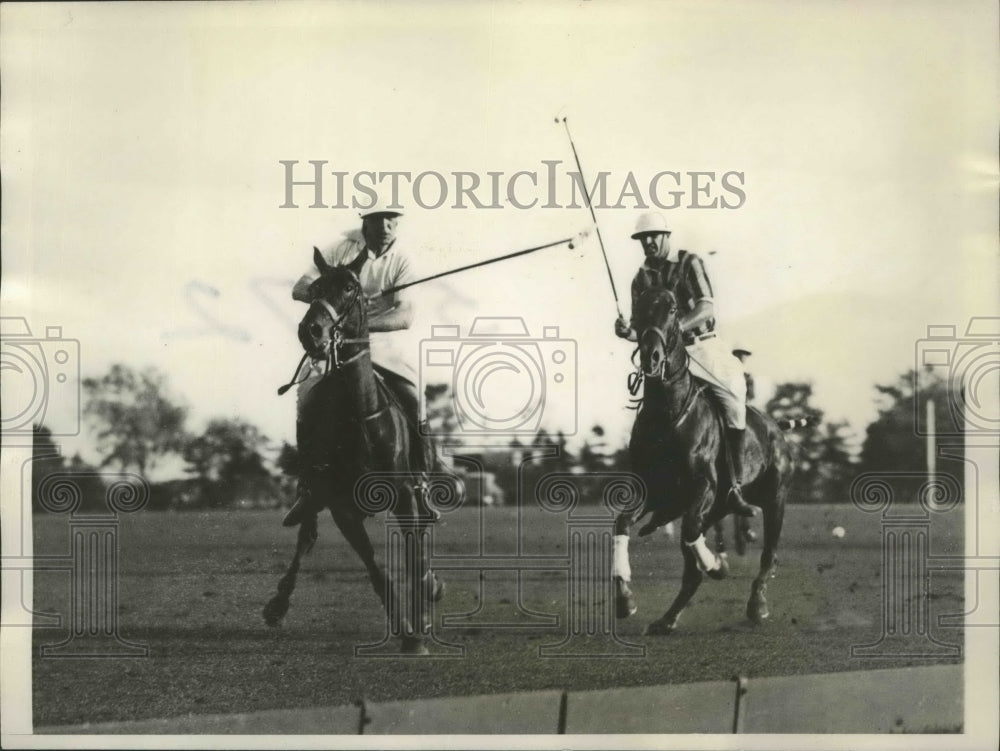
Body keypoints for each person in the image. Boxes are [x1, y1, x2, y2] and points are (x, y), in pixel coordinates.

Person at [282, 200, 428, 527]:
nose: (385, 225)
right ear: (366, 221)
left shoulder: (402, 260)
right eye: (378, 218)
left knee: (415, 399)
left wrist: (360, 323)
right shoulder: (339, 250)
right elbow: (300, 288)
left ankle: (421, 479)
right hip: (335, 346)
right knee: (306, 396)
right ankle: (307, 487)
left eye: (391, 218)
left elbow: (405, 316)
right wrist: (337, 299)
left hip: (385, 347)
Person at [614, 211, 755, 517]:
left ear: (666, 236)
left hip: (703, 348)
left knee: (734, 403)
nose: (648, 242)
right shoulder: (640, 279)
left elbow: (706, 308)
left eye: (654, 236)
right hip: (666, 358)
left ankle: (734, 488)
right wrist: (628, 332)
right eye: (643, 238)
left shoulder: (689, 262)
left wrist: (676, 329)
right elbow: (642, 329)